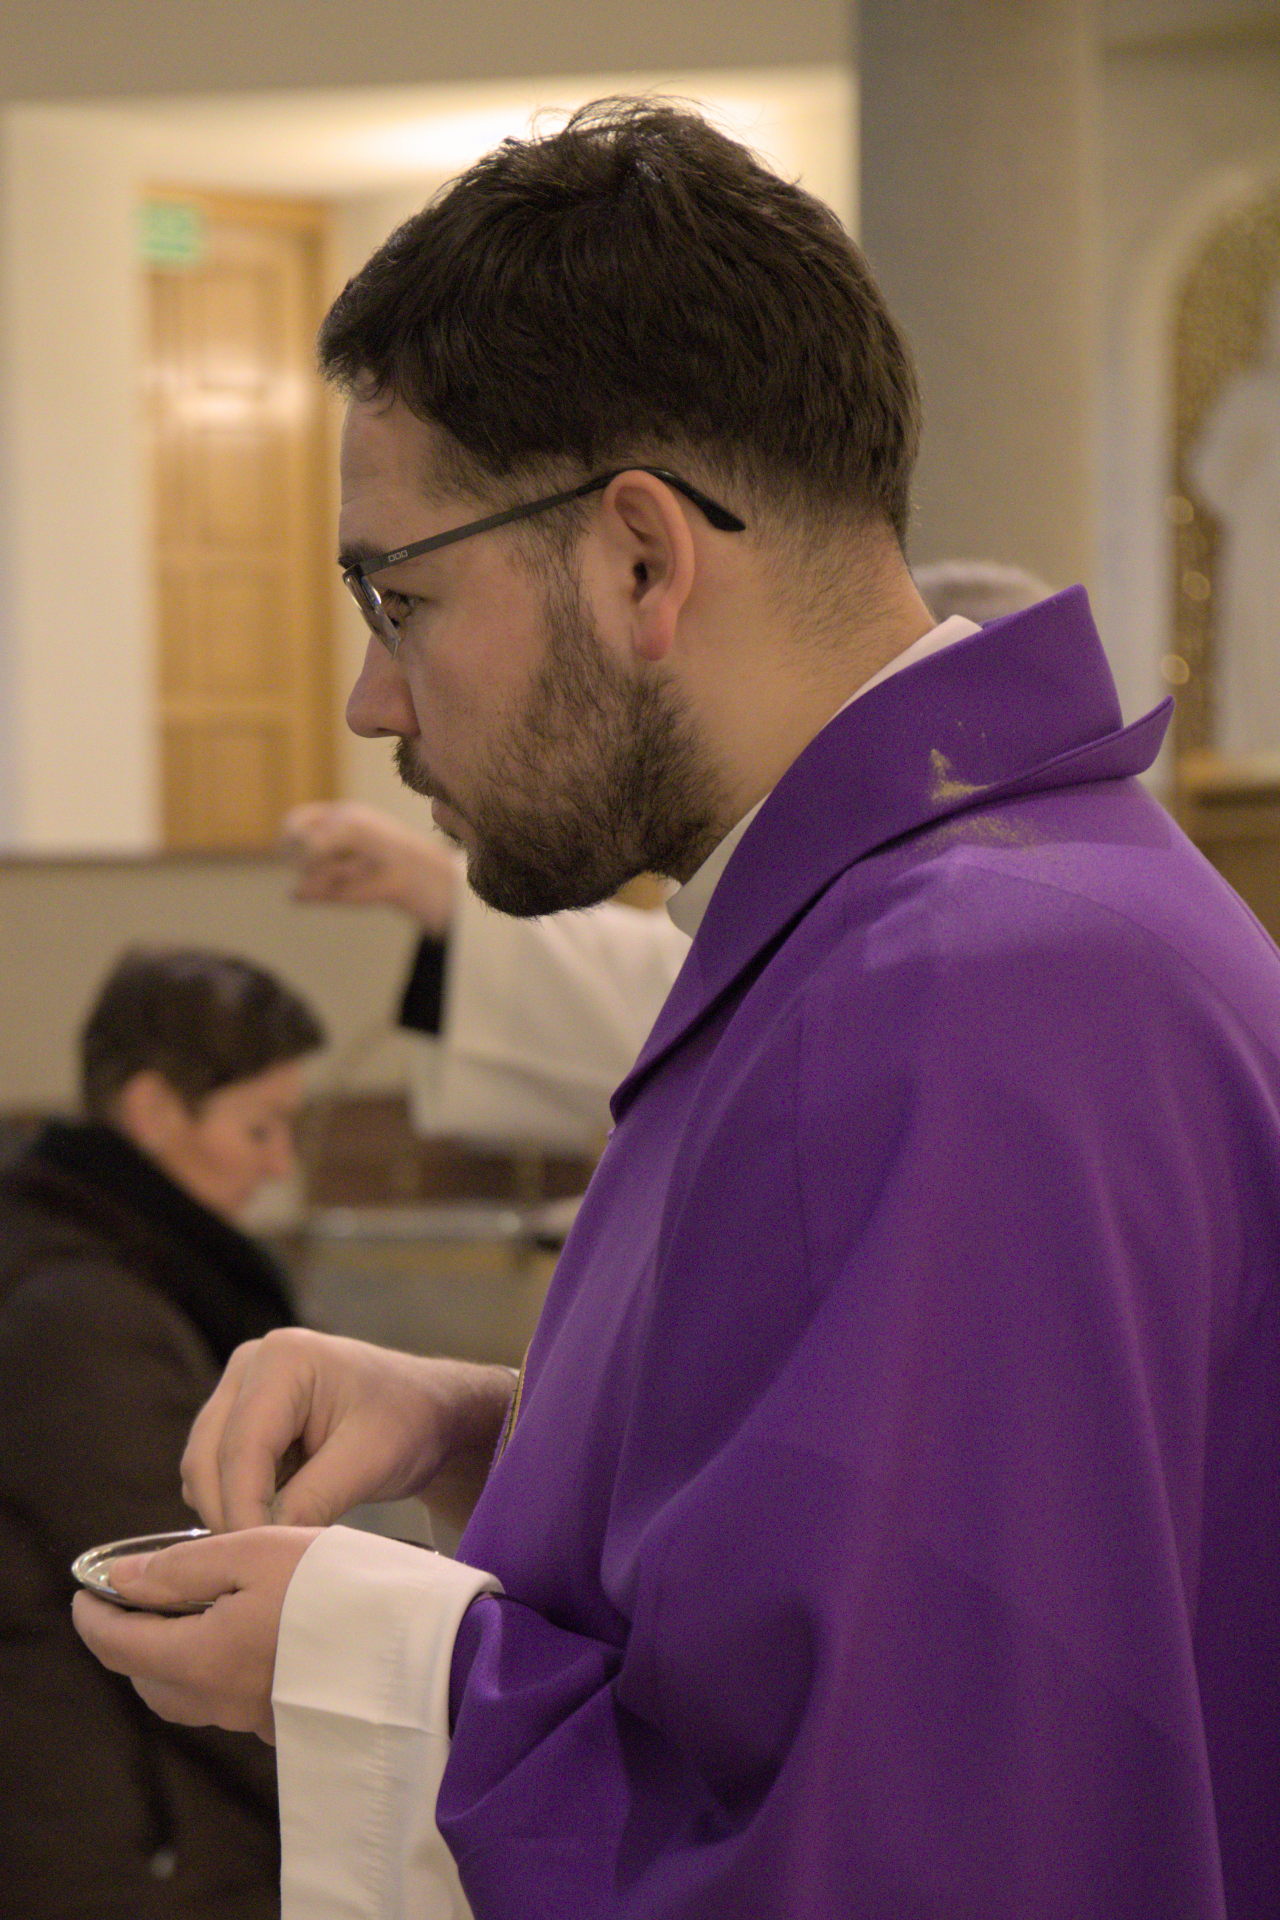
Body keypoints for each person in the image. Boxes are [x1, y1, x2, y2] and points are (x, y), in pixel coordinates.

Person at [74, 101, 1280, 1920]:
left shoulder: (963, 1003)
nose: (372, 703)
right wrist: (498, 1432)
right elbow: (919, 1568)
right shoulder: (968, 919)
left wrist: (362, 1660)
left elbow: (901, 1855)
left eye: (400, 598)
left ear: (640, 557)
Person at [281, 541, 1053, 1159]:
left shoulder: (1011, 914)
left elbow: (717, 1012)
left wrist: (434, 889)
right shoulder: (870, 872)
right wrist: (433, 888)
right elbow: (695, 993)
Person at [1, 946, 323, 1918]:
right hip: (127, 1845)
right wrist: (363, 1788)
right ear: (153, 1110)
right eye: (258, 1127)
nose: (280, 1163)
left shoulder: (113, 1265)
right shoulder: (80, 1313)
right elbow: (182, 1600)